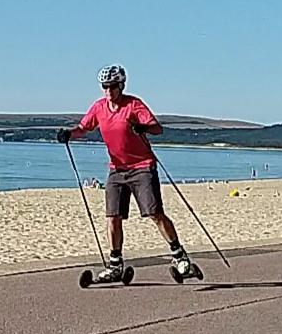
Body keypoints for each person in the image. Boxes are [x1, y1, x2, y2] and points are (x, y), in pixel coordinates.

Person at [57, 64, 193, 283]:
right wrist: (69, 134)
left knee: (154, 213)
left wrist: (143, 128)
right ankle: (115, 265)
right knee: (113, 217)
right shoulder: (99, 107)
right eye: (105, 87)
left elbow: (157, 128)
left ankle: (179, 255)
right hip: (116, 170)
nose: (108, 91)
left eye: (112, 87)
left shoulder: (133, 104)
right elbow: (84, 128)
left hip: (142, 167)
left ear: (121, 85)